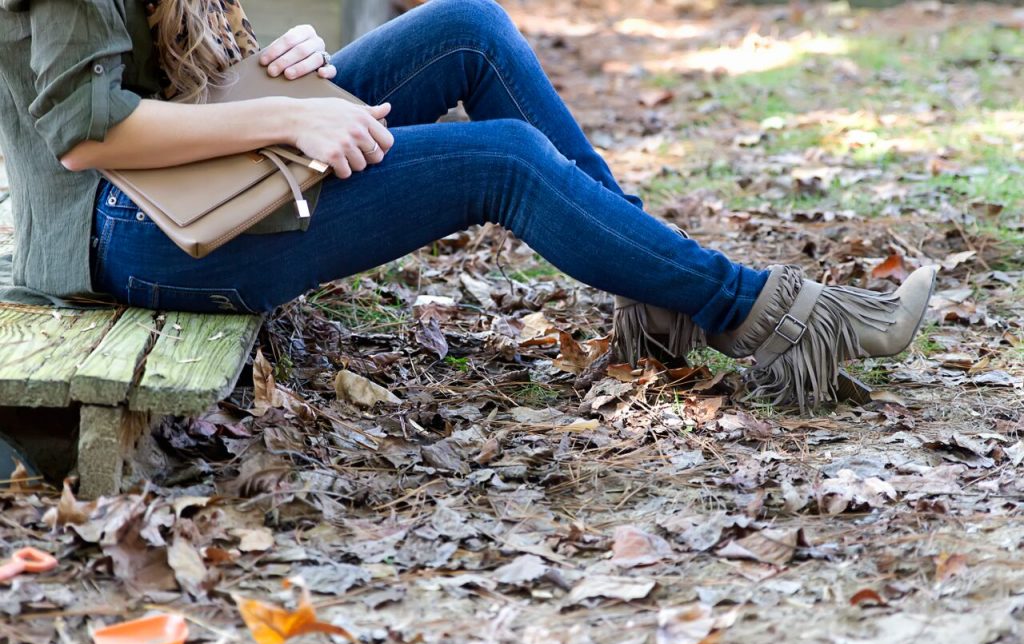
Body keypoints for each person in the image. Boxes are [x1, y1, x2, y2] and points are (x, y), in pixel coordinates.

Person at [0, 0, 935, 412]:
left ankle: (657, 284)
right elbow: (87, 131)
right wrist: (286, 114)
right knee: (507, 160)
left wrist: (277, 63)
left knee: (467, 26)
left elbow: (171, 64)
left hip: (186, 184)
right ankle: (764, 316)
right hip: (131, 237)